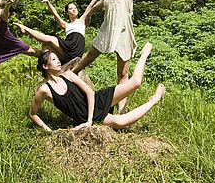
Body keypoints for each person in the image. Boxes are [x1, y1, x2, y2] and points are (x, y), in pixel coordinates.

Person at [72, 0, 151, 113]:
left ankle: (120, 109)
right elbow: (94, 7)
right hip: (107, 31)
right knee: (89, 57)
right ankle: (69, 75)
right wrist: (88, 15)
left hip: (124, 32)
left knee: (122, 73)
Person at [29, 41, 165, 132]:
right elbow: (33, 114)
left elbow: (89, 92)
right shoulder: (44, 90)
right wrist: (49, 131)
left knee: (136, 82)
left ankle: (144, 54)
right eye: (53, 59)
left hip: (97, 101)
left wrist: (89, 121)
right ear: (45, 66)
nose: (58, 61)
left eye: (57, 58)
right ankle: (154, 100)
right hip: (90, 117)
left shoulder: (68, 75)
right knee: (121, 122)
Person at [0, 0, 42, 105]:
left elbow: (6, 12)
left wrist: (8, 4)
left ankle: (49, 56)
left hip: (9, 41)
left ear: (2, 1)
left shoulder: (3, 12)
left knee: (31, 51)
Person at [14, 0, 107, 66]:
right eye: (71, 9)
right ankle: (45, 65)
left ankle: (26, 29)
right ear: (67, 12)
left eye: (75, 8)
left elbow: (90, 5)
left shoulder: (81, 20)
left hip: (75, 47)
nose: (74, 9)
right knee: (45, 47)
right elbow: (55, 14)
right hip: (66, 50)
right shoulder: (65, 25)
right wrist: (48, 2)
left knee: (51, 39)